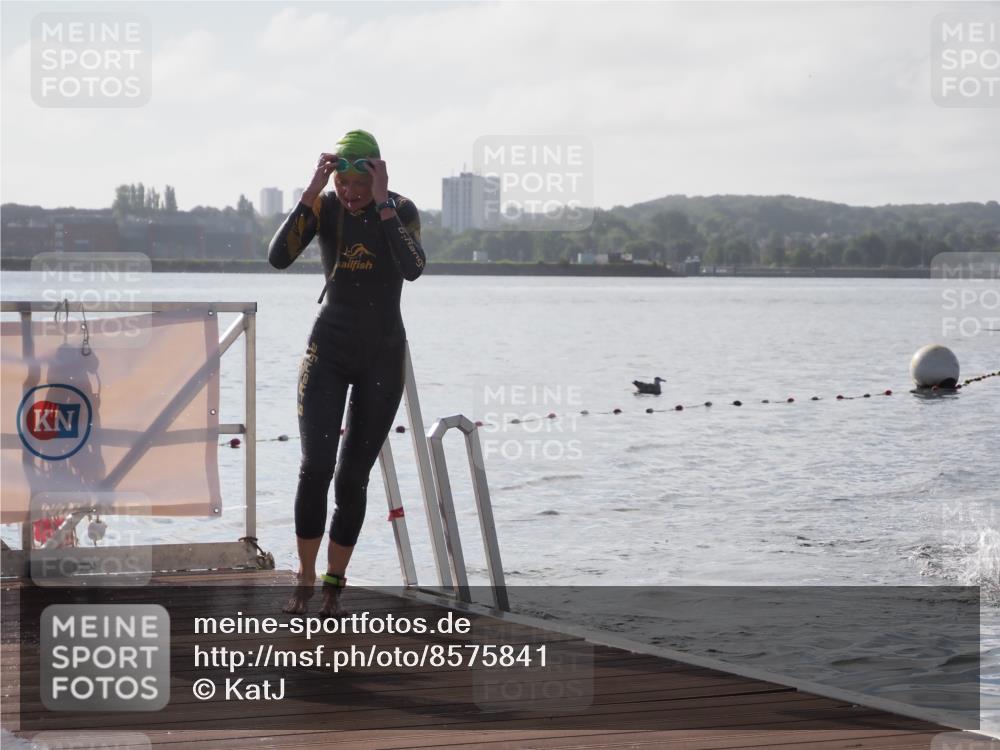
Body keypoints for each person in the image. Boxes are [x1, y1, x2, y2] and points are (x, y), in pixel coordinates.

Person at [267, 129, 425, 616]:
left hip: (381, 353)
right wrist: (312, 193)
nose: (350, 195)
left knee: (351, 477)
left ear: (375, 174)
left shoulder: (400, 209)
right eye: (343, 186)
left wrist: (381, 205)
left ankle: (335, 581)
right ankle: (306, 573)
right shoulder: (325, 207)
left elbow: (414, 267)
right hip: (328, 351)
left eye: (359, 186)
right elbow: (278, 258)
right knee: (315, 465)